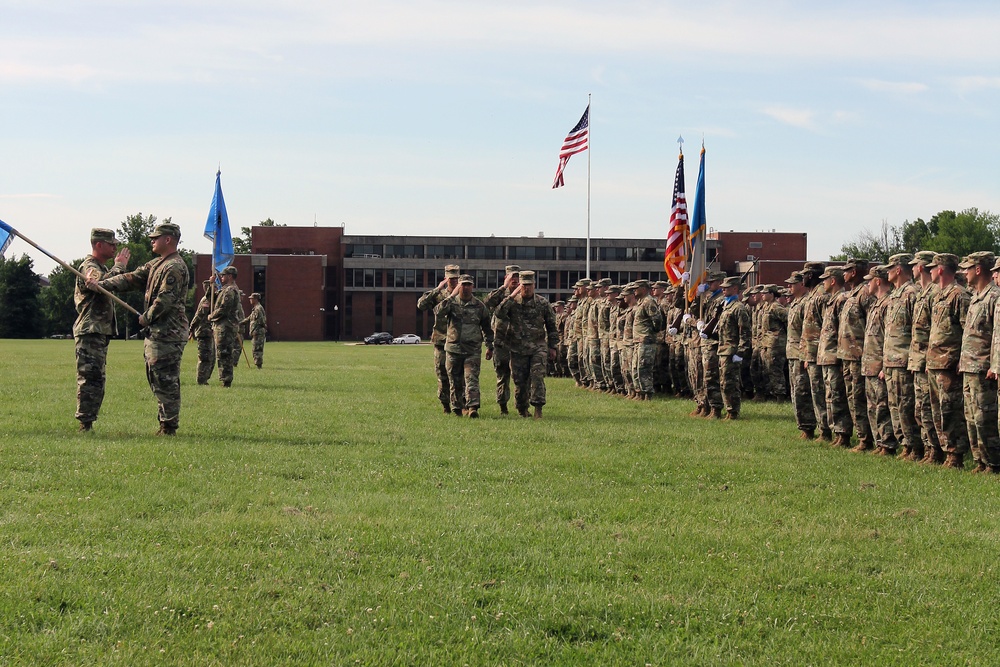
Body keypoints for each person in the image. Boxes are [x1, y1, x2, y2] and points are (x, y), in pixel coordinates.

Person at [91, 222, 189, 435]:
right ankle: (165, 423)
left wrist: (147, 317)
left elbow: (166, 299)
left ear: (168, 240)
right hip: (157, 333)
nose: (152, 240)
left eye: (156, 237)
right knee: (156, 378)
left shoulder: (174, 267)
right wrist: (101, 284)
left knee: (166, 380)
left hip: (168, 333)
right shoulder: (156, 264)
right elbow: (131, 278)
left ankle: (169, 426)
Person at [74, 228, 130, 431]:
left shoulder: (100, 266)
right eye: (111, 244)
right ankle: (85, 423)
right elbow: (99, 285)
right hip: (90, 330)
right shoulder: (90, 266)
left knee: (97, 377)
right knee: (90, 377)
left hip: (98, 331)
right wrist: (119, 267)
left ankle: (88, 421)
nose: (115, 247)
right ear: (99, 245)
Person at [925, 253, 971, 468]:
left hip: (949, 364)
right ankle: (944, 451)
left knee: (950, 410)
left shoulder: (959, 296)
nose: (930, 271)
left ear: (941, 269)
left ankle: (956, 455)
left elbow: (967, 332)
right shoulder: (939, 295)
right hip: (935, 363)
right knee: (937, 410)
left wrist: (961, 360)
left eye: (933, 267)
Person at [494, 271, 559, 418]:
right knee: (520, 381)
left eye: (529, 285)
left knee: (537, 377)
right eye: (524, 285)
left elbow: (551, 326)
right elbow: (499, 313)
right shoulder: (513, 302)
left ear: (534, 286)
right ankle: (522, 409)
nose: (527, 288)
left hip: (538, 347)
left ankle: (538, 408)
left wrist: (553, 347)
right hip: (517, 349)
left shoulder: (542, 303)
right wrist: (511, 296)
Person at [960, 252, 1000, 472]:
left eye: (968, 267)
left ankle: (993, 462)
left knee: (984, 418)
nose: (964, 272)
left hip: (983, 368)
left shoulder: (994, 296)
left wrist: (995, 365)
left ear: (978, 269)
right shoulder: (976, 296)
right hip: (969, 366)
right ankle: (980, 460)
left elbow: (997, 335)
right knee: (971, 417)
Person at [438, 274, 494, 417]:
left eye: (469, 284)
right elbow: (438, 311)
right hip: (453, 349)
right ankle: (457, 407)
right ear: (459, 286)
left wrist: (489, 346)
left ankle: (473, 407)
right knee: (455, 380)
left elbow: (487, 327)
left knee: (471, 379)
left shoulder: (479, 306)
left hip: (472, 350)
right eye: (463, 284)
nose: (466, 287)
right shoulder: (451, 303)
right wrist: (451, 296)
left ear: (472, 286)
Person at [881, 254, 920, 460]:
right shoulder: (895, 295)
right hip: (891, 360)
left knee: (906, 405)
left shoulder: (912, 293)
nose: (887, 271)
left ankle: (914, 446)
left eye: (890, 268)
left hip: (903, 359)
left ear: (898, 269)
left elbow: (918, 329)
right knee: (895, 406)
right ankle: (905, 444)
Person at [860, 265, 895, 455]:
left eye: (870, 280)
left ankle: (888, 444)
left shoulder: (888, 303)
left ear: (878, 281)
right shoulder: (875, 303)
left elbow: (888, 337)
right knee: (873, 407)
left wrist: (883, 365)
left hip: (879, 365)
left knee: (882, 406)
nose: (867, 284)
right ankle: (879, 442)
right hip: (869, 364)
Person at [417, 264, 461, 413]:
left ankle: (459, 405)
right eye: (450, 279)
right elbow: (421, 305)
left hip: (458, 341)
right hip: (441, 340)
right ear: (445, 279)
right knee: (442, 375)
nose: (453, 282)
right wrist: (437, 288)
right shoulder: (438, 295)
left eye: (456, 279)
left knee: (457, 375)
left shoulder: (463, 294)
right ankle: (445, 405)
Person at [816, 267, 852, 446]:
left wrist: (839, 358)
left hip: (834, 356)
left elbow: (842, 332)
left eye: (825, 279)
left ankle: (843, 433)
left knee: (838, 396)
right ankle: (836, 432)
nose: (822, 283)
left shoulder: (842, 299)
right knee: (830, 396)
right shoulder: (832, 300)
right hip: (826, 356)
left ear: (833, 281)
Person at [485, 265, 519, 414]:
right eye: (512, 277)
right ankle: (503, 406)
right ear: (506, 278)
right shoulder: (499, 294)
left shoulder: (523, 293)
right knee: (502, 376)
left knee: (521, 376)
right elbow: (487, 303)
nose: (515, 280)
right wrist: (503, 288)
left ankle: (521, 406)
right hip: (501, 342)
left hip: (519, 343)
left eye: (517, 277)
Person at [716, 276, 751, 419]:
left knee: (730, 383)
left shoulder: (738, 308)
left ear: (735, 288)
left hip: (732, 351)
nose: (723, 289)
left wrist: (740, 353)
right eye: (723, 287)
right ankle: (729, 409)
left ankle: (733, 411)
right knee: (724, 382)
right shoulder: (726, 306)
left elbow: (745, 333)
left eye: (727, 287)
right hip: (723, 349)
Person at [210, 266, 242, 387]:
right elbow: (212, 296)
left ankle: (226, 380)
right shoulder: (226, 289)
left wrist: (211, 316)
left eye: (223, 275)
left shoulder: (230, 290)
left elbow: (224, 309)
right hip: (223, 326)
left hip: (226, 326)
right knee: (222, 352)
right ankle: (224, 378)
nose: (221, 277)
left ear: (229, 276)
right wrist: (211, 285)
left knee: (224, 353)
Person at [189, 279, 216, 384]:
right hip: (203, 332)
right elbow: (199, 316)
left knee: (211, 358)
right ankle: (201, 380)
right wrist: (191, 328)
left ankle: (205, 378)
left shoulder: (213, 300)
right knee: (204, 357)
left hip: (209, 332)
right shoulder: (206, 300)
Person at [242, 292, 267, 369]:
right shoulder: (255, 308)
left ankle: (258, 365)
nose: (250, 300)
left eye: (251, 299)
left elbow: (261, 321)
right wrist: (240, 323)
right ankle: (258, 364)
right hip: (256, 332)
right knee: (255, 348)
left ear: (255, 299)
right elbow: (249, 318)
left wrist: (256, 328)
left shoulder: (258, 309)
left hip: (258, 332)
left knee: (257, 349)